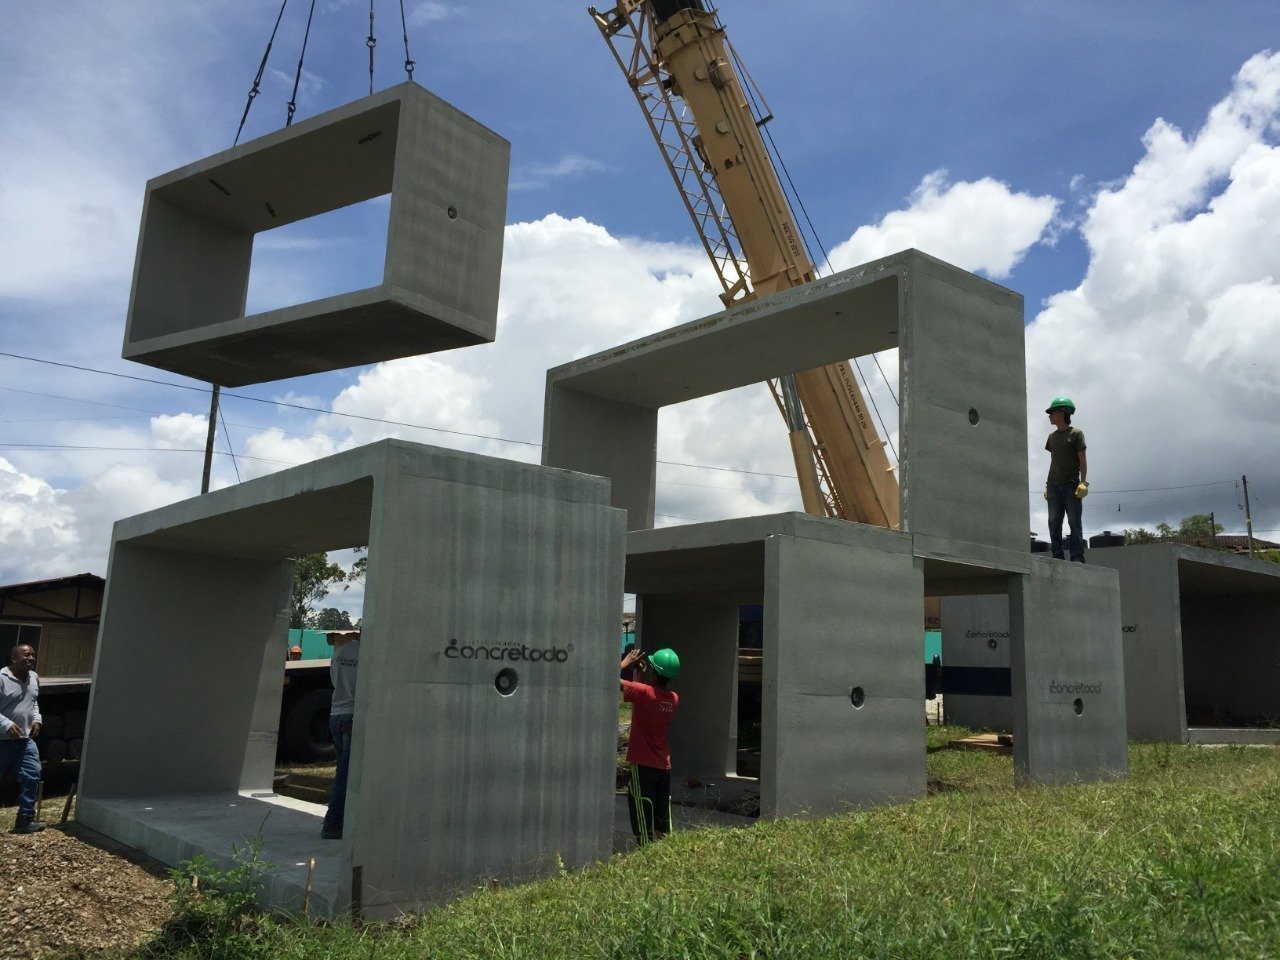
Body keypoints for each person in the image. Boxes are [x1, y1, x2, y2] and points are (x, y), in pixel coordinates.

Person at [619, 646, 680, 845]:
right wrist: (640, 674)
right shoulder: (673, 699)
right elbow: (644, 696)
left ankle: (645, 852)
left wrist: (624, 664)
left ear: (654, 671)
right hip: (663, 765)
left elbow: (609, 680)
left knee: (641, 808)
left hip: (643, 764)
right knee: (661, 812)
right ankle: (664, 851)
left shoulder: (644, 692)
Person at [1, 644, 45, 834]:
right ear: (14, 659)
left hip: (25, 740)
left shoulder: (34, 677)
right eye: (26, 655)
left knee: (32, 774)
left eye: (33, 655)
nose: (31, 658)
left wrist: (37, 719)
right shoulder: (2, 679)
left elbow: (33, 701)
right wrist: (6, 724)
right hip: (2, 741)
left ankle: (24, 820)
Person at [322, 630, 360, 840]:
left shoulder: (340, 652)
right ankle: (333, 824)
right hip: (352, 717)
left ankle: (342, 820)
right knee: (346, 777)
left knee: (341, 773)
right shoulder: (367, 655)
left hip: (336, 714)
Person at [1044, 396, 1088, 562]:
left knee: (1074, 522)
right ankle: (1057, 556)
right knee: (1053, 522)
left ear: (1062, 413)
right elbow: (1054, 462)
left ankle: (1077, 557)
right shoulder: (1052, 437)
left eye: (1052, 412)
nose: (1049, 415)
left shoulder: (1076, 434)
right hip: (1053, 485)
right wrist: (1047, 486)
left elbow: (1082, 460)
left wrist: (1083, 482)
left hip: (1070, 484)